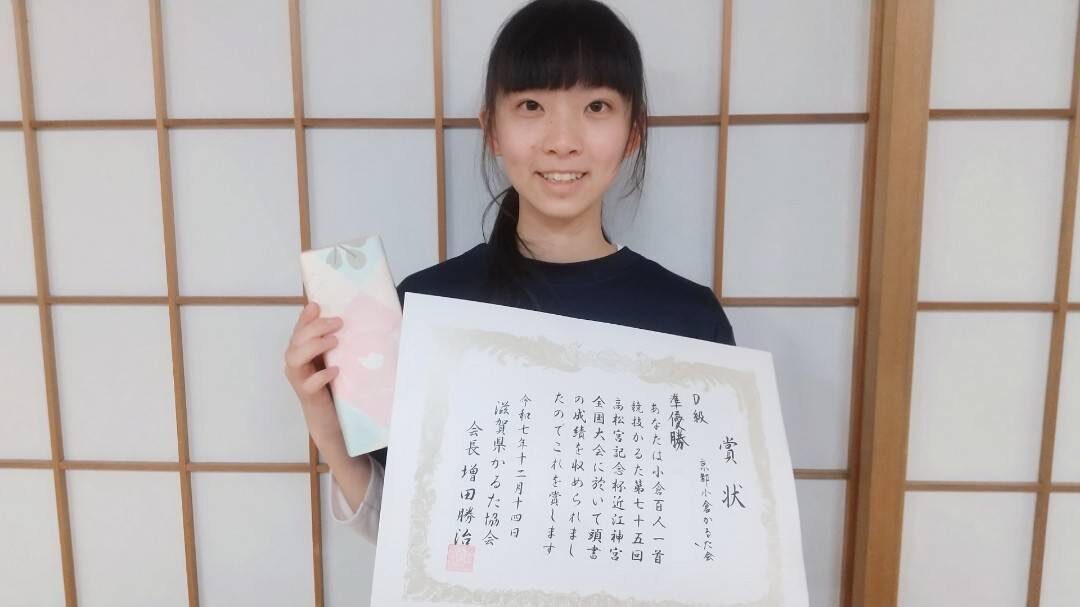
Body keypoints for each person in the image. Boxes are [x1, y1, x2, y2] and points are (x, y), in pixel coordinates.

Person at [283, 0, 735, 545]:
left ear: (633, 132)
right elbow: (405, 538)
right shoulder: (425, 306)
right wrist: (325, 421)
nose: (562, 140)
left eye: (596, 106)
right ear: (491, 129)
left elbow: (711, 532)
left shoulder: (690, 319)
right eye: (531, 105)